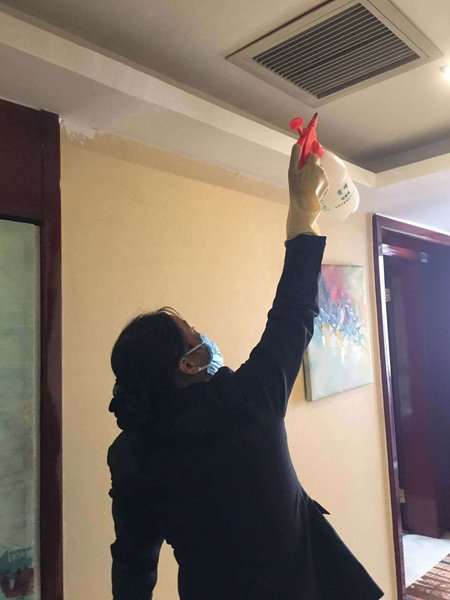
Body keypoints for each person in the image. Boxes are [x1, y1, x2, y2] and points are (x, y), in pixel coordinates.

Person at [107, 144, 384, 600]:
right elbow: (293, 313)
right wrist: (303, 211)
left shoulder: (130, 454)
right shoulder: (244, 403)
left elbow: (133, 562)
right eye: (195, 335)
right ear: (189, 363)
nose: (205, 339)